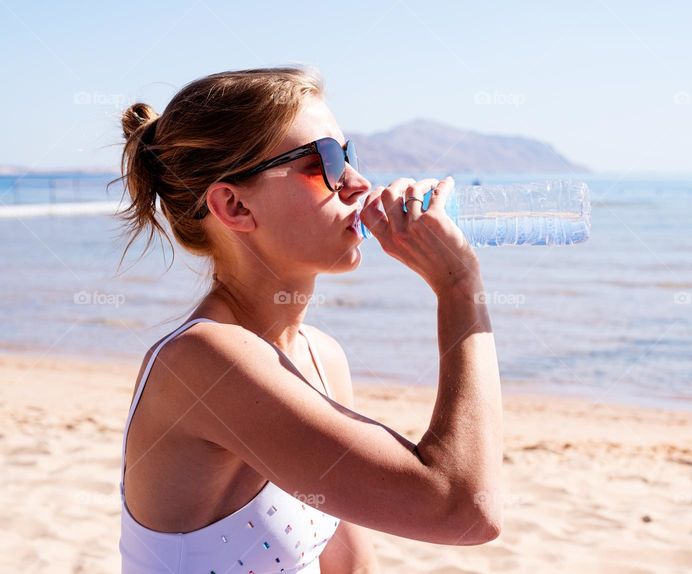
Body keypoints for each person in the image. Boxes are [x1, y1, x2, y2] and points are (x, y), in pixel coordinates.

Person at [116, 67, 502, 573]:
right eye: (327, 162)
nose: (359, 182)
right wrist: (458, 288)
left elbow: (351, 567)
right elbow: (464, 511)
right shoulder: (204, 360)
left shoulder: (321, 356)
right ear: (233, 205)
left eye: (351, 155)